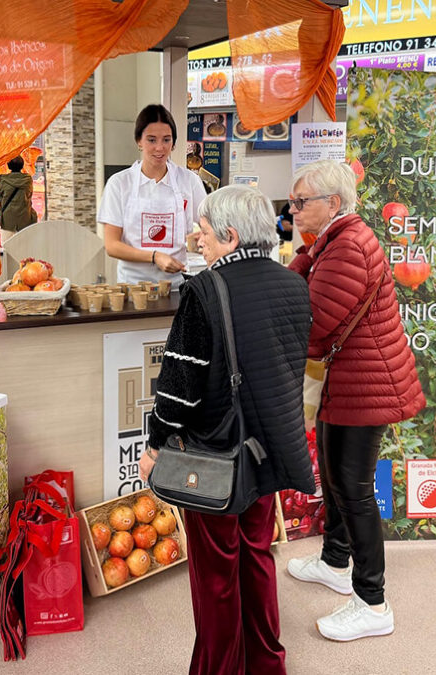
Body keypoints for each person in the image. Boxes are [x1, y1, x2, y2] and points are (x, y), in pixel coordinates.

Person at [138, 185, 314, 675]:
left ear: (231, 237)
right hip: (268, 448)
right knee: (258, 554)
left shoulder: (205, 292)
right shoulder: (294, 285)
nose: (199, 239)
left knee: (216, 570)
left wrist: (155, 445)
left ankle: (220, 668)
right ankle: (266, 662)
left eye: (206, 232)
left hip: (214, 455)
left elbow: (178, 390)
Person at [284, 159, 425, 642]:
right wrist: (304, 253)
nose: (293, 208)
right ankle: (335, 561)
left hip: (367, 384)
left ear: (334, 204)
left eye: (302, 202)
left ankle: (372, 600)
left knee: (354, 488)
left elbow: (313, 322)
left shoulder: (347, 248)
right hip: (351, 381)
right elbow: (306, 292)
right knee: (338, 476)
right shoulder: (333, 241)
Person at [98, 104, 207, 288]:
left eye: (166, 140)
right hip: (132, 287)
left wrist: (203, 235)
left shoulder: (189, 181)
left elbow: (210, 224)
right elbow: (112, 245)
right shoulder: (119, 184)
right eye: (151, 140)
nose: (159, 147)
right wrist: (155, 256)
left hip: (176, 285)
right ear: (138, 141)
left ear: (174, 142)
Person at [0, 156, 36, 236]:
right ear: (22, 165)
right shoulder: (28, 179)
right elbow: (29, 194)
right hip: (25, 218)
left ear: (8, 165)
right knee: (23, 245)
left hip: (8, 220)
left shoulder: (3, 180)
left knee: (7, 245)